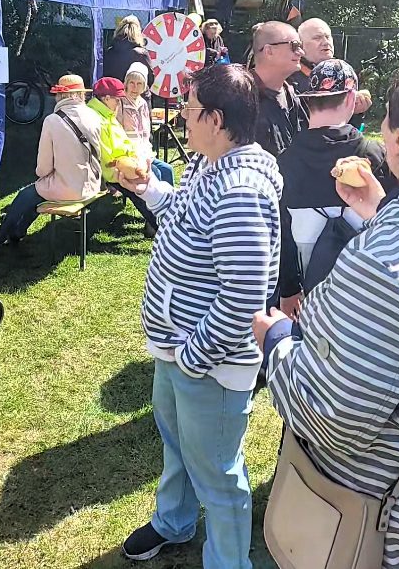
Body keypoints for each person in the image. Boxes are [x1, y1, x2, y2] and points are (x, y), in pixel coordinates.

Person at [253, 54, 399, 569]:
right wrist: (382, 210)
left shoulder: (384, 267)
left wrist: (278, 342)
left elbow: (333, 418)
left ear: (396, 140)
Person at [118, 64, 283, 568]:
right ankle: (174, 521)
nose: (182, 117)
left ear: (214, 119)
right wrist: (148, 189)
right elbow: (183, 215)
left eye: (189, 109)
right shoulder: (206, 164)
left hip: (209, 363)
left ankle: (228, 561)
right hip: (178, 349)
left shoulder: (241, 192)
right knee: (179, 447)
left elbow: (242, 298)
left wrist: (192, 358)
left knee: (217, 472)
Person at [276, 59, 390, 319]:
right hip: (370, 298)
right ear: (351, 98)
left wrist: (288, 289)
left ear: (309, 102)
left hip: (308, 300)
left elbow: (281, 234)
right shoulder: (376, 156)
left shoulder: (285, 162)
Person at [0, 74, 102, 247]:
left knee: (27, 195)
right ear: (82, 94)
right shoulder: (94, 115)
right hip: (91, 184)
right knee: (36, 193)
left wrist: (43, 175)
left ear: (60, 95)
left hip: (69, 189)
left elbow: (43, 168)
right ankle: (17, 231)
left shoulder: (53, 120)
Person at [87, 77, 158, 233]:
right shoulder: (97, 118)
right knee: (143, 187)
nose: (119, 103)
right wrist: (131, 165)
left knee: (152, 177)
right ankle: (159, 226)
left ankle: (159, 223)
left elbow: (123, 141)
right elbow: (107, 158)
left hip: (124, 163)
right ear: (106, 98)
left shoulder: (106, 113)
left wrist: (134, 157)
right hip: (115, 170)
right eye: (117, 99)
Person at [290, 17, 372, 118]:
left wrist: (356, 109)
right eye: (317, 38)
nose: (325, 42)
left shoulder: (344, 72)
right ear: (301, 45)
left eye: (328, 37)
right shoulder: (289, 78)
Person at [252, 20, 308, 158]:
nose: (301, 52)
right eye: (294, 46)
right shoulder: (240, 96)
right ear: (269, 51)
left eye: (300, 46)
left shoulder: (292, 96)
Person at [116, 63, 174, 186]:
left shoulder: (142, 103)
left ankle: (171, 198)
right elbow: (117, 133)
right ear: (126, 83)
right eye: (132, 83)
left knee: (167, 170)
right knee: (156, 173)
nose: (135, 87)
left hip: (144, 152)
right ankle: (153, 198)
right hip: (129, 155)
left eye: (139, 84)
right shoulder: (120, 103)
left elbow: (145, 134)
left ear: (144, 86)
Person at [103, 15, 155, 90]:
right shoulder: (141, 54)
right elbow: (150, 78)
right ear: (138, 32)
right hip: (135, 94)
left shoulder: (109, 52)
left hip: (114, 94)